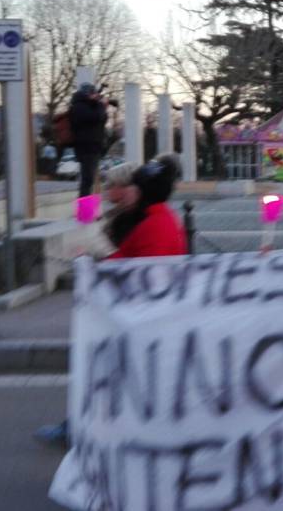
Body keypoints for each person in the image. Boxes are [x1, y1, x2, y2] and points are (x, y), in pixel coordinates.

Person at [34, 155, 186, 446]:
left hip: (139, 320)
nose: (124, 191)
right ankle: (87, 426)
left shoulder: (153, 224)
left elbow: (136, 272)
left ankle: (86, 428)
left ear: (141, 191)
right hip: (143, 318)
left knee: (110, 376)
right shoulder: (157, 220)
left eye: (131, 187)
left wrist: (95, 256)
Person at [109, 155, 188, 259]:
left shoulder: (155, 226)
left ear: (140, 191)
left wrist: (101, 247)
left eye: (132, 186)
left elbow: (145, 266)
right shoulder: (160, 217)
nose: (127, 191)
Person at [69, 83, 109, 198]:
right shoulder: (79, 106)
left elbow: (101, 120)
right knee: (87, 181)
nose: (96, 95)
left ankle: (89, 207)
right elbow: (95, 117)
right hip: (87, 148)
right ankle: (85, 209)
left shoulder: (87, 105)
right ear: (87, 93)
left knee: (90, 181)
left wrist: (100, 106)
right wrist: (101, 105)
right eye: (93, 93)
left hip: (92, 147)